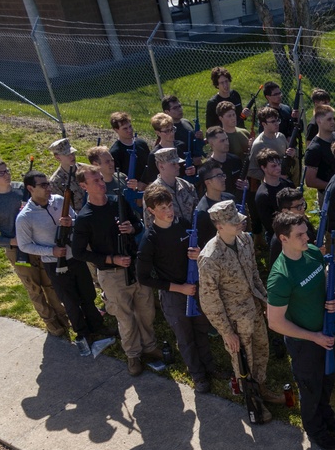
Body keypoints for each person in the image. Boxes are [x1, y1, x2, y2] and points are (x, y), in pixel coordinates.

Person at [267, 211, 335, 450]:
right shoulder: (280, 276)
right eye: (300, 235)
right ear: (283, 239)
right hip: (305, 342)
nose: (307, 238)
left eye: (306, 232)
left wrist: (331, 299)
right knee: (310, 387)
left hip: (326, 330)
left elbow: (324, 282)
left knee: (328, 379)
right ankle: (315, 430)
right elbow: (275, 322)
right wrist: (314, 337)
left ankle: (328, 418)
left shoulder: (312, 253)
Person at [199, 200, 286, 412]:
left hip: (254, 309)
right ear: (219, 226)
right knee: (243, 362)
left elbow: (254, 274)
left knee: (261, 350)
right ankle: (253, 403)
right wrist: (227, 332)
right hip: (235, 319)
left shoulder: (245, 241)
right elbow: (209, 300)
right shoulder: (210, 257)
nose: (239, 224)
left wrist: (266, 302)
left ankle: (261, 388)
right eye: (232, 222)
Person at [72, 164, 158, 376]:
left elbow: (138, 224)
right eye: (96, 181)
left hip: (135, 267)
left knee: (146, 310)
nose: (102, 183)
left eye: (101, 179)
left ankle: (150, 346)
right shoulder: (85, 217)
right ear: (84, 186)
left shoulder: (117, 202)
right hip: (112, 274)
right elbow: (78, 252)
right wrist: (111, 259)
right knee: (126, 318)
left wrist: (132, 228)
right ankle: (133, 355)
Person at [16, 169, 106, 355]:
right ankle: (82, 332)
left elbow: (77, 220)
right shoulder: (25, 217)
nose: (48, 188)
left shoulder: (59, 200)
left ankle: (98, 325)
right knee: (70, 301)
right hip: (54, 263)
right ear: (30, 188)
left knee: (88, 294)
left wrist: (70, 222)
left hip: (75, 257)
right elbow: (25, 246)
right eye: (43, 185)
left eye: (48, 184)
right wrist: (52, 251)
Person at [137, 185, 217, 393]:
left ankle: (210, 367)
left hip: (194, 287)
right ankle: (198, 375)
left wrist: (197, 253)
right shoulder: (150, 239)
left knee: (201, 329)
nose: (169, 211)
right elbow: (143, 277)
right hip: (174, 294)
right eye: (162, 207)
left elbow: (196, 247)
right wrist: (179, 288)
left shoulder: (182, 224)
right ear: (151, 210)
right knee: (185, 337)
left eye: (170, 205)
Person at [0, 157, 68, 337]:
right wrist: (11, 241)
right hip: (18, 251)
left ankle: (64, 317)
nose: (6, 175)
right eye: (0, 173)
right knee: (34, 288)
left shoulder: (22, 189)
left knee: (51, 284)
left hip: (40, 244)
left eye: (6, 170)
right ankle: (52, 324)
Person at [145, 147, 198, 228]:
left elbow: (197, 212)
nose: (178, 166)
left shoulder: (187, 186)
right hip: (168, 237)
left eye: (178, 163)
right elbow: (149, 224)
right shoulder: (153, 193)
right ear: (161, 166)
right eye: (173, 164)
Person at [254, 149, 295, 247]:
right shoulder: (263, 195)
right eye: (273, 166)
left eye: (279, 164)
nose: (278, 168)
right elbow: (269, 225)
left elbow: (303, 204)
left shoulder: (287, 183)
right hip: (278, 237)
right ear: (263, 168)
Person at [141, 112, 195, 185]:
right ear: (158, 133)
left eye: (172, 129)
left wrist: (192, 170)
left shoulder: (181, 146)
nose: (172, 133)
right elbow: (152, 182)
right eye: (166, 131)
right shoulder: (154, 155)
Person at [268, 188, 316, 266]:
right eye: (298, 207)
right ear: (285, 211)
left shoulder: (304, 222)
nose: (303, 209)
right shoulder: (279, 240)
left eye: (303, 204)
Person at [193, 161, 235, 248]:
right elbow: (201, 243)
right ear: (208, 182)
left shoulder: (230, 199)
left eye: (223, 175)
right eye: (219, 176)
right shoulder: (203, 211)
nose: (223, 179)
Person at [248, 106, 293, 183]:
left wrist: (292, 154)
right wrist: (272, 176)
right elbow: (251, 170)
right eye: (272, 122)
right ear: (264, 124)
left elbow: (288, 156)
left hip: (287, 178)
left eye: (277, 120)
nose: (276, 124)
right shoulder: (259, 144)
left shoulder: (281, 136)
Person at [108, 112, 150, 192]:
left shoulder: (141, 144)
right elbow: (117, 178)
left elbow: (150, 165)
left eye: (130, 126)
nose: (129, 130)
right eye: (125, 128)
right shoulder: (115, 152)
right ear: (116, 130)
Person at [303, 104, 335, 194]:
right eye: (329, 119)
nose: (333, 122)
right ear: (319, 121)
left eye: (333, 119)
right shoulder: (314, 149)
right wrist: (334, 185)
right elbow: (310, 181)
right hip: (328, 193)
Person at [203, 126, 247, 201]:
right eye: (222, 141)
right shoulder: (208, 167)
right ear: (211, 143)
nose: (227, 143)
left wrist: (245, 185)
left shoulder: (235, 160)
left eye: (227, 139)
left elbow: (243, 181)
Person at [47, 138, 85, 211]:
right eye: (67, 154)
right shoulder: (56, 181)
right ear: (57, 157)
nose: (72, 156)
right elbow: (59, 206)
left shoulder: (85, 169)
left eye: (72, 153)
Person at [162, 94, 201, 162]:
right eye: (175, 108)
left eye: (179, 106)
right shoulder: (168, 131)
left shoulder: (186, 122)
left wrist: (200, 137)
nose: (179, 109)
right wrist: (191, 161)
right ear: (167, 112)